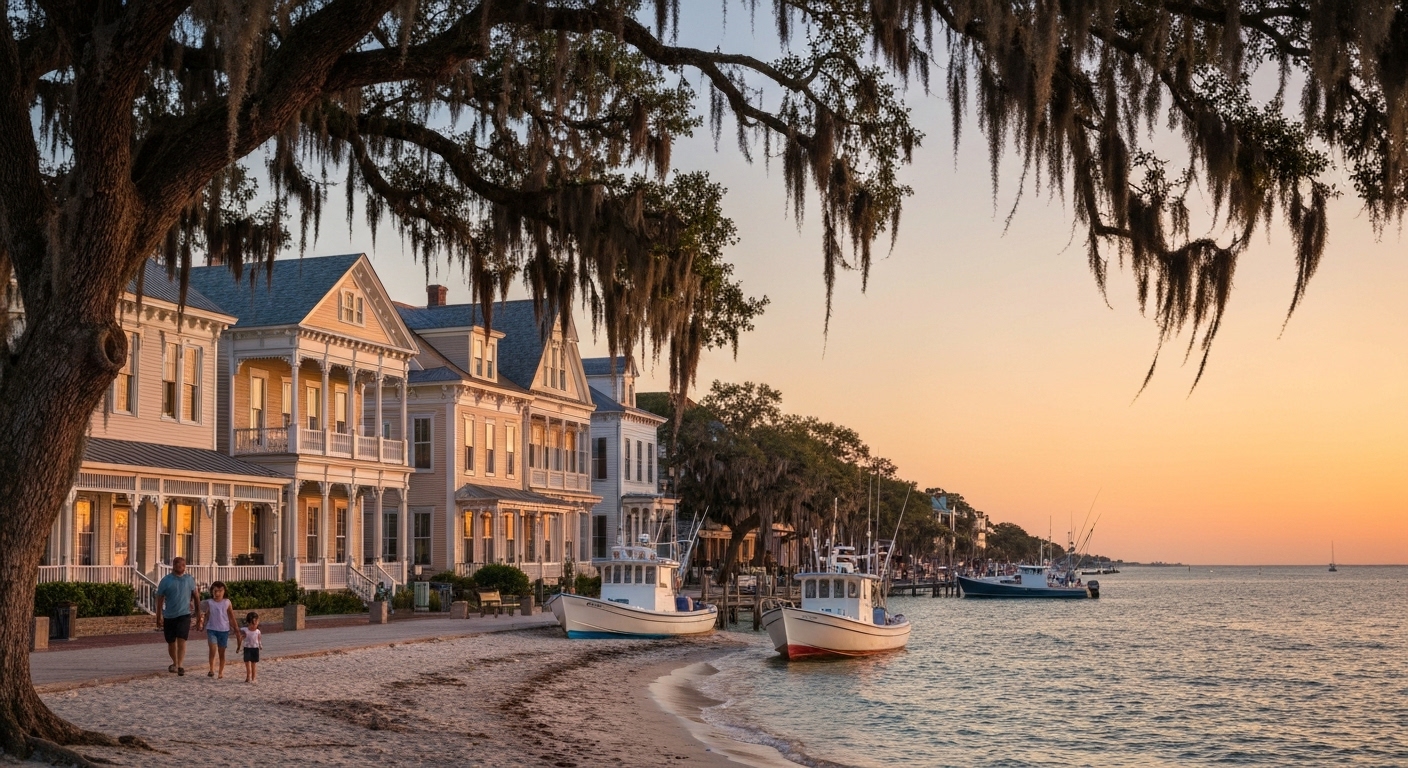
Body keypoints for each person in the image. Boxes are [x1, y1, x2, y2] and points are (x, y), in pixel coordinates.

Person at [153, 557, 199, 676]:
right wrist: (158, 616)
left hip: (184, 614)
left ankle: (180, 665)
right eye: (178, 564)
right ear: (173, 565)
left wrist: (199, 615)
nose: (180, 566)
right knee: (171, 641)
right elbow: (160, 599)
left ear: (185, 566)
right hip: (169, 615)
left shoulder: (189, 579)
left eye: (183, 564)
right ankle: (175, 662)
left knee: (182, 639)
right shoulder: (166, 580)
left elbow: (196, 596)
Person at [201, 581, 241, 679]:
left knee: (221, 652)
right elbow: (206, 615)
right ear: (212, 592)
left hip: (224, 630)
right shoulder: (209, 602)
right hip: (211, 629)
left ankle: (220, 672)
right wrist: (202, 624)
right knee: (212, 649)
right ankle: (211, 669)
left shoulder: (227, 602)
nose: (218, 593)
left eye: (220, 591)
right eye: (215, 591)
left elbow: (231, 617)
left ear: (224, 591)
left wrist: (236, 629)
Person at [239, 613, 262, 683]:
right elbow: (238, 632)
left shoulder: (258, 631)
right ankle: (248, 676)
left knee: (253, 663)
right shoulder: (245, 630)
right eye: (252, 624)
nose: (254, 626)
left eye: (255, 624)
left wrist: (260, 645)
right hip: (247, 647)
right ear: (248, 623)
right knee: (246, 662)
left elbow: (259, 639)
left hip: (255, 648)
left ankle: (253, 677)